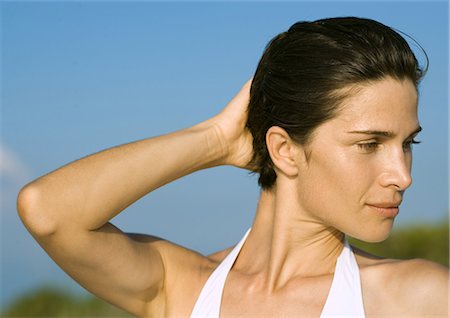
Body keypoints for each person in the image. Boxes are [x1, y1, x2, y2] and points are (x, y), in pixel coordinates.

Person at [17, 17, 448, 317]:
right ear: (284, 150)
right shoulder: (186, 287)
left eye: (408, 143)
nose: (403, 174)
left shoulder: (420, 297)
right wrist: (215, 140)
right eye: (370, 144)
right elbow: (47, 211)